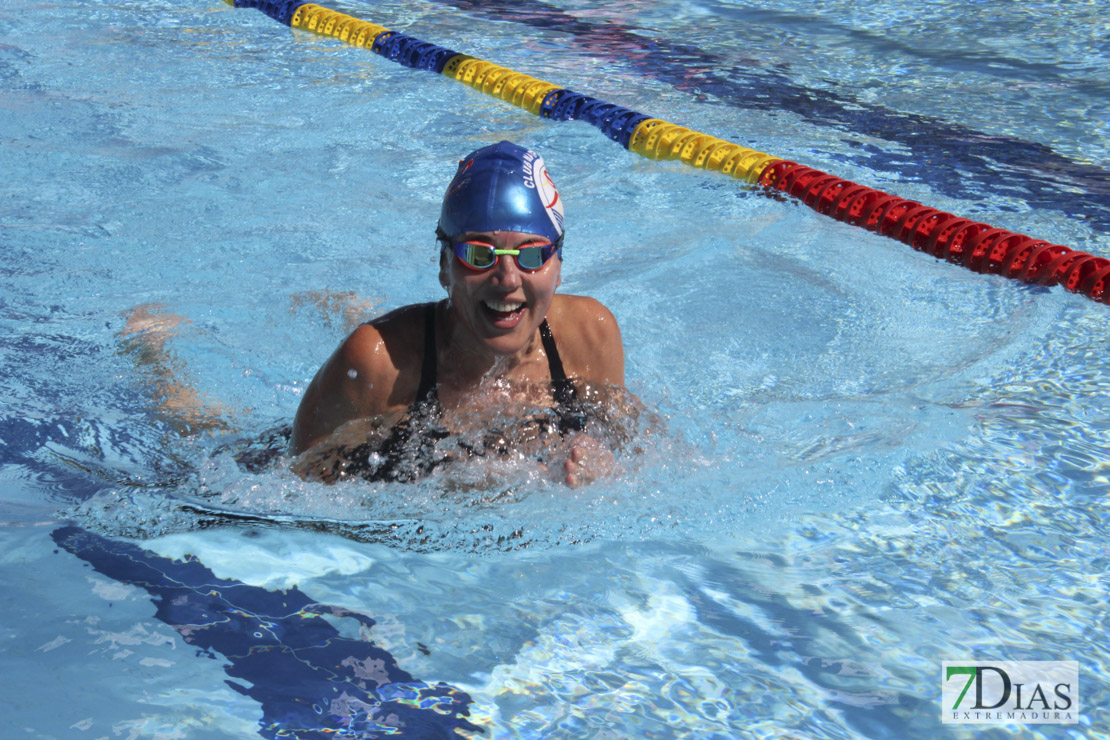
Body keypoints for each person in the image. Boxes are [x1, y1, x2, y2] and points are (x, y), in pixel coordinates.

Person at [288, 141, 628, 487]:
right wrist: (449, 489)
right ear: (443, 266)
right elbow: (296, 485)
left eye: (531, 255)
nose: (508, 278)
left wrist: (606, 466)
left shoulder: (589, 336)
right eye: (479, 255)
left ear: (558, 267)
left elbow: (633, 439)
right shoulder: (377, 363)